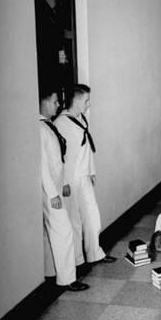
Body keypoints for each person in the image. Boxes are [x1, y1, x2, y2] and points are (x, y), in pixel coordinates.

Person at [54, 84, 116, 266]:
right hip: (70, 179)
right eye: (86, 100)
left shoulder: (81, 118)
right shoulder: (61, 123)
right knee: (74, 221)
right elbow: (59, 158)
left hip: (84, 177)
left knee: (92, 216)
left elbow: (86, 149)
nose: (88, 104)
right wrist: (64, 182)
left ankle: (94, 253)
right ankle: (77, 261)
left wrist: (92, 171)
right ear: (76, 100)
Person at [39, 91, 89, 291]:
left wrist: (65, 182)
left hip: (57, 186)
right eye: (54, 101)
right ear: (43, 102)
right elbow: (42, 165)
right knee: (64, 231)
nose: (57, 104)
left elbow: (59, 159)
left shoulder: (47, 126)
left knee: (51, 232)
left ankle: (50, 272)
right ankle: (68, 279)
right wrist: (52, 194)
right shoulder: (40, 129)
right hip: (49, 190)